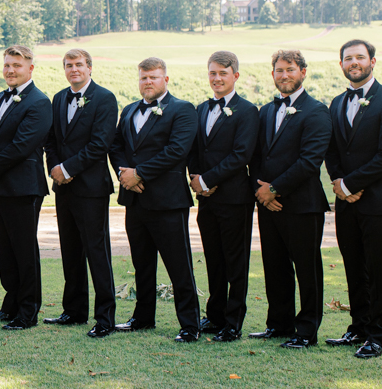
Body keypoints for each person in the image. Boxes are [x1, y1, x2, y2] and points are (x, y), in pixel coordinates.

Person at [324, 39, 382, 359]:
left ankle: (377, 336)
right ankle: (358, 327)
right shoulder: (336, 103)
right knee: (354, 267)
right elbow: (332, 150)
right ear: (342, 64)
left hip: (380, 201)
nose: (354, 62)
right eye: (348, 58)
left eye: (360, 57)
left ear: (373, 61)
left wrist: (352, 184)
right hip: (347, 201)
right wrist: (340, 184)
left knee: (378, 269)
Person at [109, 57, 200, 342]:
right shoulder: (129, 110)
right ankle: (143, 317)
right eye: (143, 77)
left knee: (178, 265)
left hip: (167, 201)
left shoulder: (183, 110)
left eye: (154, 77)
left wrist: (140, 174)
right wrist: (125, 174)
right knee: (142, 263)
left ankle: (190, 324)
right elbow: (116, 145)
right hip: (134, 201)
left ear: (165, 80)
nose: (148, 82)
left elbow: (176, 150)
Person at [248, 49, 332, 349]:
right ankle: (279, 323)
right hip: (268, 205)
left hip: (302, 205)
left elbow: (310, 161)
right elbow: (256, 156)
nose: (284, 75)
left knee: (307, 270)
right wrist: (262, 192)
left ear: (303, 72)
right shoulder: (265, 111)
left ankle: (307, 330)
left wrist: (275, 189)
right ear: (272, 74)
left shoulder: (318, 111)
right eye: (279, 70)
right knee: (275, 265)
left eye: (291, 70)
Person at [0, 45, 53, 331]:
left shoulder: (40, 102)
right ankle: (11, 304)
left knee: (24, 250)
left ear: (30, 69)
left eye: (16, 66)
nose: (10, 70)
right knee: (4, 249)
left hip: (23, 189)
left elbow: (22, 147)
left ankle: (28, 312)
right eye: (7, 65)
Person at [43, 48, 119, 338]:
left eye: (78, 64)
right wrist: (55, 168)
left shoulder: (105, 98)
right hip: (63, 187)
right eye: (68, 65)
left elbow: (100, 144)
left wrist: (69, 168)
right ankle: (74, 310)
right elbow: (50, 140)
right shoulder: (59, 97)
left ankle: (105, 319)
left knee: (96, 251)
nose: (73, 69)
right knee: (70, 249)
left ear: (89, 67)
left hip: (91, 189)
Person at [187, 51, 258, 342]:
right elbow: (194, 149)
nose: (217, 79)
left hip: (235, 198)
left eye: (223, 74)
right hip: (207, 198)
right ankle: (214, 316)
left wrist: (208, 179)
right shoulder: (200, 109)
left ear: (235, 76)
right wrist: (196, 177)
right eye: (213, 73)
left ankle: (233, 322)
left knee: (235, 262)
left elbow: (241, 154)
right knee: (213, 259)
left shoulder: (248, 110)